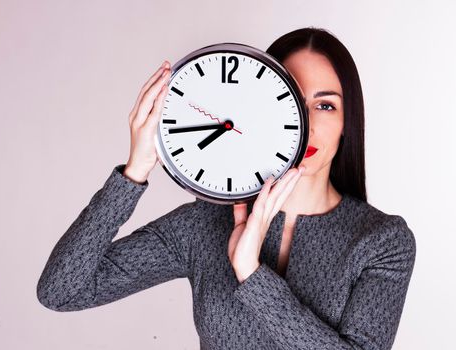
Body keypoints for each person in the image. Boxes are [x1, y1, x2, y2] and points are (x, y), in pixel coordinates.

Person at [37, 27, 416, 350]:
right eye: (291, 102)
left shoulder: (382, 241)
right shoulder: (202, 225)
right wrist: (133, 173)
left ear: (349, 121)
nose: (307, 125)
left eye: (326, 106)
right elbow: (62, 291)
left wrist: (251, 274)